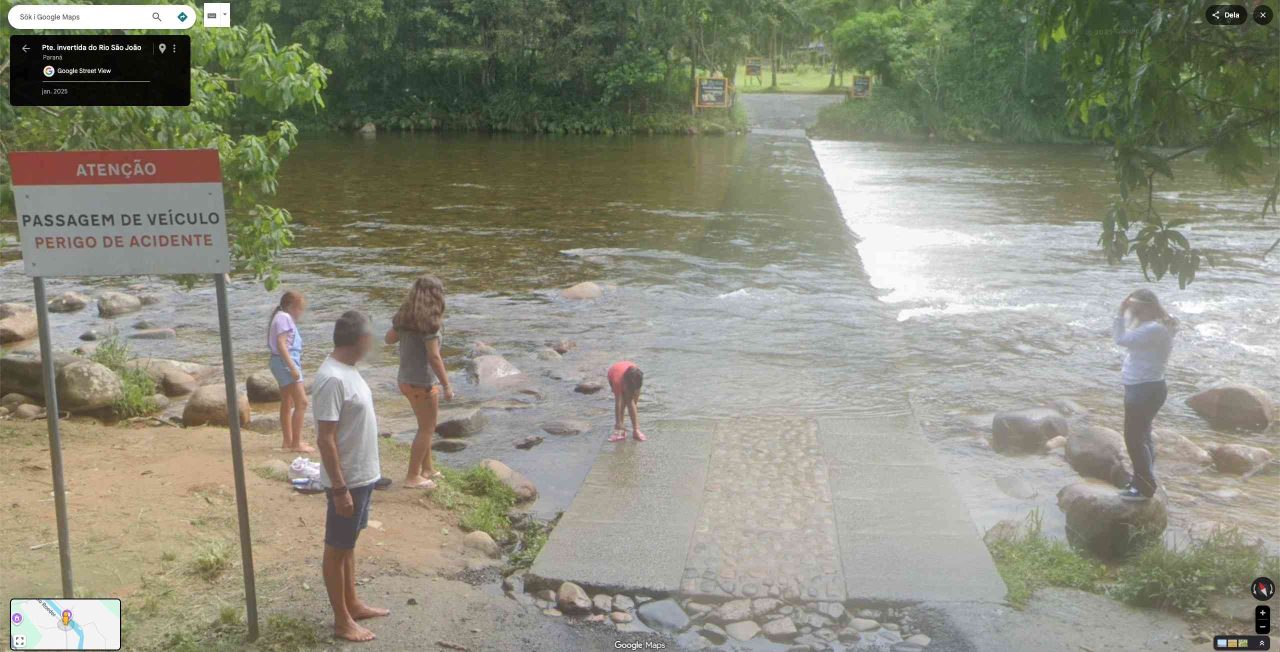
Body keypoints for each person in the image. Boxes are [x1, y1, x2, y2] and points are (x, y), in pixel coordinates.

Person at [313, 310, 389, 642]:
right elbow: (325, 438)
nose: (373, 341)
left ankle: (353, 603)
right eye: (370, 336)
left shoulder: (349, 370)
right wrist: (340, 488)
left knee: (349, 544)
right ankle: (342, 621)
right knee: (336, 547)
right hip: (347, 481)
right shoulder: (331, 378)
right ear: (359, 340)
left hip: (362, 476)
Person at [385, 275, 455, 490]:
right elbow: (434, 357)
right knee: (427, 428)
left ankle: (428, 469)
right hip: (422, 383)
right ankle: (412, 476)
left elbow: (389, 339)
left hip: (404, 380)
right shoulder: (431, 326)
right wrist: (446, 385)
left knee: (424, 426)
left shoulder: (404, 319)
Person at [1112, 289, 1178, 502]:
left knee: (1134, 439)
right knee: (1142, 436)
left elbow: (1120, 339)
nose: (1133, 313)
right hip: (1148, 387)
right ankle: (1141, 481)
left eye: (1136, 309)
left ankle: (1145, 487)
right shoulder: (1161, 325)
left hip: (1143, 389)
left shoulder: (1153, 329)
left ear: (1147, 308)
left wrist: (1119, 313)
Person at [268, 290, 313, 453]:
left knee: (287, 401)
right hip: (286, 362)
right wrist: (293, 368)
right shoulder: (285, 318)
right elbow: (281, 345)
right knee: (302, 402)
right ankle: (296, 443)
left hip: (278, 361)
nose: (301, 313)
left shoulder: (279, 317)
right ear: (291, 306)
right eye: (300, 308)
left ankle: (288, 441)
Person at [607, 361, 645, 442]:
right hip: (613, 372)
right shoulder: (617, 381)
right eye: (628, 387)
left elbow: (634, 401)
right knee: (622, 403)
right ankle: (620, 430)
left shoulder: (637, 377)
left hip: (631, 373)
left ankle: (636, 430)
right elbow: (618, 404)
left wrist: (632, 405)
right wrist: (618, 423)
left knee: (630, 401)